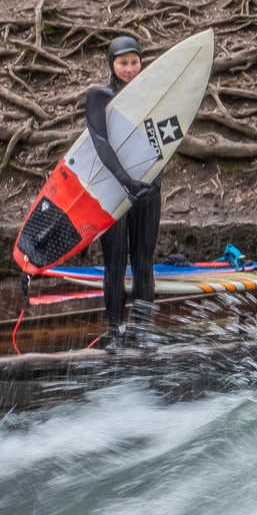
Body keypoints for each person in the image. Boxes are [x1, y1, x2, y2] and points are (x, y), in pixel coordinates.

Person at [89, 36, 161, 350]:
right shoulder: (99, 97)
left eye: (134, 62)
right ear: (112, 65)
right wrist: (124, 180)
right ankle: (115, 330)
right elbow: (100, 143)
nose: (129, 69)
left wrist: (151, 183)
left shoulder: (155, 96)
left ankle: (142, 331)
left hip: (147, 188)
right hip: (112, 188)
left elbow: (163, 141)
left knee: (143, 260)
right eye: (123, 63)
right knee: (116, 262)